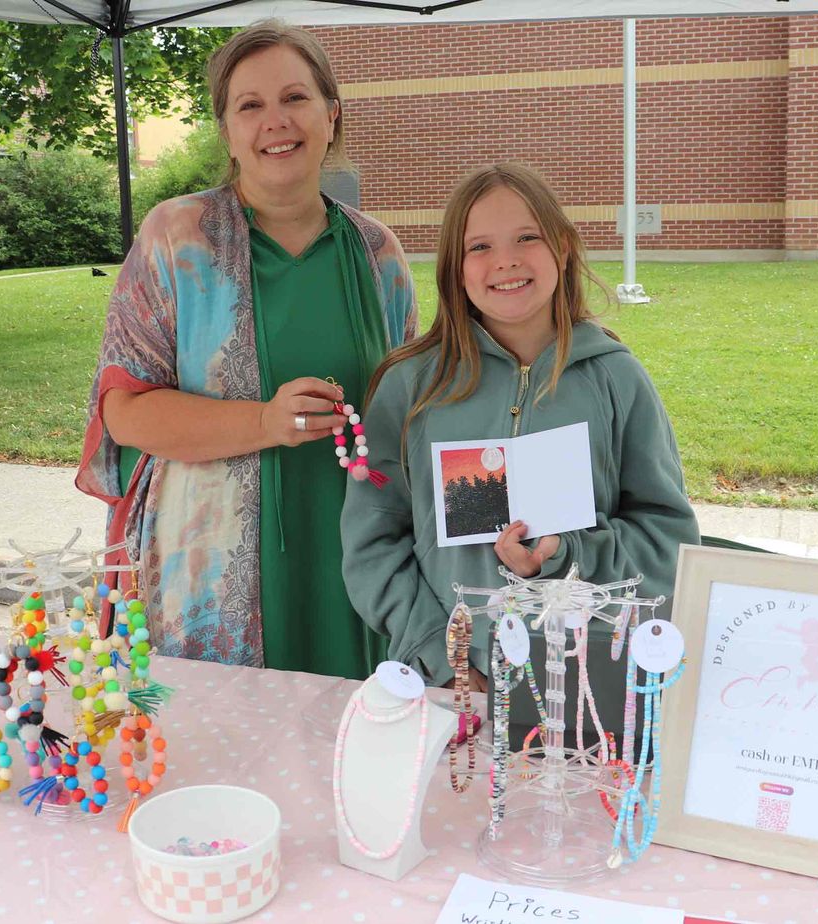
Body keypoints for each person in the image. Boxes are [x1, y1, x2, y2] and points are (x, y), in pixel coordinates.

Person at [76, 20, 416, 677]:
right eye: (250, 105)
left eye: (295, 98)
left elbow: (410, 411)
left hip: (355, 557)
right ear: (228, 132)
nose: (275, 121)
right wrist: (265, 421)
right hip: (206, 570)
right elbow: (124, 413)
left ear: (331, 114)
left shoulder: (380, 254)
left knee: (345, 727)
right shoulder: (176, 237)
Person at [341, 163, 699, 689]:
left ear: (563, 248)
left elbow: (667, 538)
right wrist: (442, 655)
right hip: (450, 684)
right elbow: (372, 541)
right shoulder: (411, 387)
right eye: (479, 246)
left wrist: (568, 556)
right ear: (455, 269)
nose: (505, 260)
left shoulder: (616, 378)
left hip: (584, 683)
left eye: (527, 237)